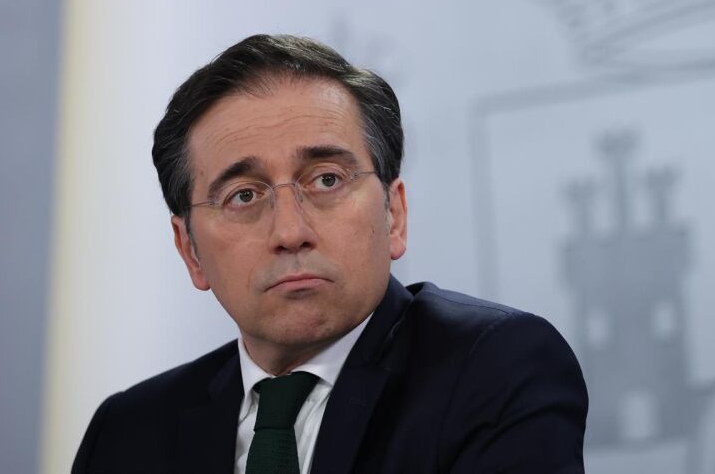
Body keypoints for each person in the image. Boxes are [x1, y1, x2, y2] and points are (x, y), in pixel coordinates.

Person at [72, 34, 588, 473]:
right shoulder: (127, 433)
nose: (290, 231)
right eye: (244, 196)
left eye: (326, 180)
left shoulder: (494, 368)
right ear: (190, 251)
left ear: (393, 214)